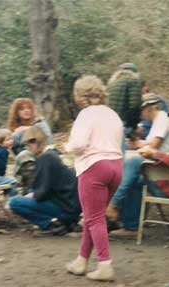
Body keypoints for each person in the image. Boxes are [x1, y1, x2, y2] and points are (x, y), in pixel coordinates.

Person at [65, 75, 123, 282]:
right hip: (116, 166)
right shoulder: (113, 115)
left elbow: (79, 143)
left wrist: (67, 147)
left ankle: (104, 264)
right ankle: (81, 261)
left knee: (94, 218)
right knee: (93, 216)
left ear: (81, 96)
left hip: (94, 166)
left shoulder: (86, 114)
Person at [107, 94, 169, 236]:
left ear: (148, 108)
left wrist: (137, 144)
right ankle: (130, 226)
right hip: (156, 170)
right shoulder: (157, 121)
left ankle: (113, 206)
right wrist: (137, 143)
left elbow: (155, 145)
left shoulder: (162, 118)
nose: (140, 115)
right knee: (133, 179)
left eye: (140, 111)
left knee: (130, 165)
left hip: (163, 174)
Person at [8, 126, 81, 234]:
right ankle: (63, 223)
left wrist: (28, 196)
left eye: (29, 145)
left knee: (15, 202)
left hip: (64, 209)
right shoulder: (55, 154)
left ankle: (51, 224)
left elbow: (41, 193)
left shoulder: (45, 158)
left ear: (36, 141)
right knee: (28, 194)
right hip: (72, 206)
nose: (29, 148)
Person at [107, 63, 144, 145]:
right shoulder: (133, 80)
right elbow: (135, 106)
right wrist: (133, 127)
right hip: (123, 125)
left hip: (110, 124)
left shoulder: (111, 84)